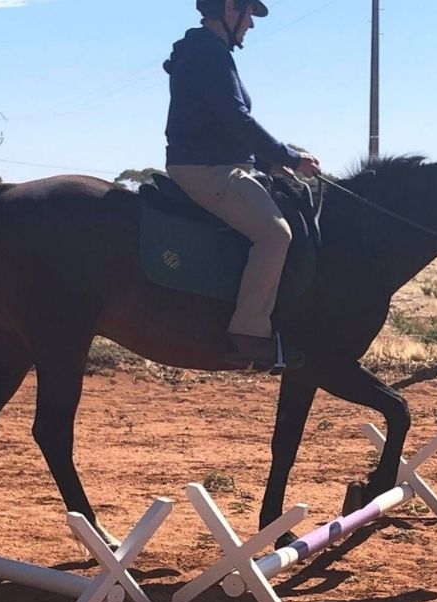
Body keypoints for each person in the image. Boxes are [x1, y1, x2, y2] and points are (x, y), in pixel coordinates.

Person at [164, 0, 321, 372]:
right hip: (208, 170)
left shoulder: (208, 50)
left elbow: (225, 126)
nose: (251, 24)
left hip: (219, 162)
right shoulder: (209, 54)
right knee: (274, 235)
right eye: (248, 13)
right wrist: (290, 157)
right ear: (228, 9)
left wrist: (273, 162)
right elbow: (237, 120)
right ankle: (248, 336)